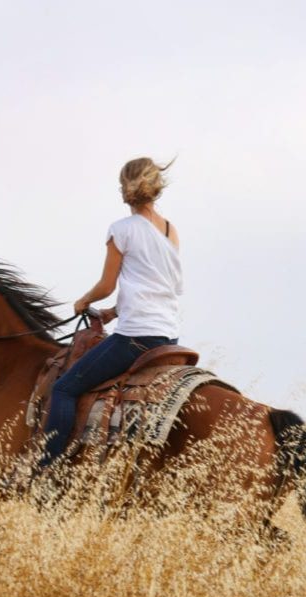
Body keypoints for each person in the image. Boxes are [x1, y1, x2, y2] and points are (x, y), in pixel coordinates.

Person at [36, 157, 183, 472]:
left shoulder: (121, 229)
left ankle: (47, 471)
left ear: (124, 189)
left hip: (136, 336)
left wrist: (84, 300)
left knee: (64, 388)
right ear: (156, 188)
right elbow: (156, 286)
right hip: (168, 335)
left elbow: (106, 284)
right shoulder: (171, 231)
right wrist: (113, 312)